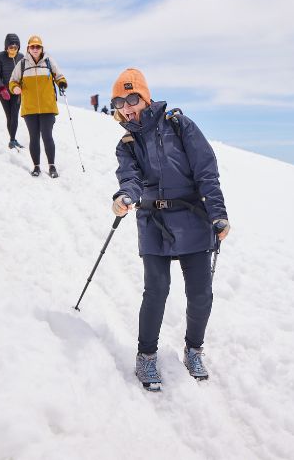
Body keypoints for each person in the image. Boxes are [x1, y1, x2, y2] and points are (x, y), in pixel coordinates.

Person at [108, 68, 229, 391]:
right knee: (157, 290)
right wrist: (125, 196)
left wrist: (218, 214)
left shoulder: (179, 125)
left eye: (133, 98)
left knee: (201, 294)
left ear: (145, 96)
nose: (127, 105)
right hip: (154, 222)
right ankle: (146, 356)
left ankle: (194, 349)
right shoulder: (127, 143)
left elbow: (206, 171)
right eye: (120, 101)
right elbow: (129, 178)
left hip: (194, 217)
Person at [8, 35, 67, 177]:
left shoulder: (48, 61)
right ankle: (36, 167)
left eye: (37, 46)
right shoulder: (22, 64)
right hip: (30, 108)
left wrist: (62, 83)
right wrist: (15, 88)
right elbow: (13, 81)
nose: (35, 49)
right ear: (28, 48)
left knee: (47, 136)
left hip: (48, 106)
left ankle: (52, 166)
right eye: (32, 46)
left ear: (41, 48)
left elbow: (59, 76)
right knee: (33, 137)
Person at [0, 33, 26, 149]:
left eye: (15, 48)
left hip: (16, 91)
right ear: (6, 47)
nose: (13, 50)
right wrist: (1, 88)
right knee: (9, 116)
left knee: (14, 115)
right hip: (4, 92)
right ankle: (12, 139)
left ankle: (12, 140)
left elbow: (24, 74)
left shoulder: (21, 57)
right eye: (11, 47)